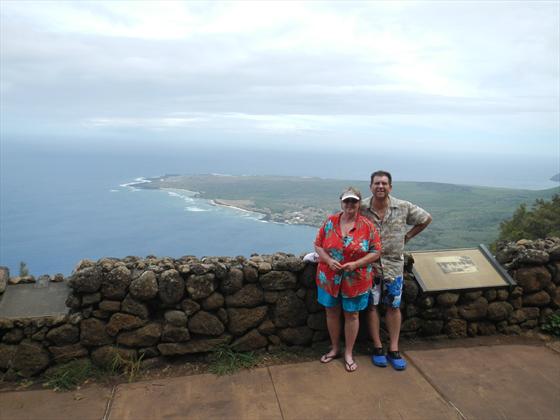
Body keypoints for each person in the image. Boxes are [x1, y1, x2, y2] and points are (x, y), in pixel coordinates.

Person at [361, 170, 431, 371]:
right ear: (371, 186)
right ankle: (377, 347)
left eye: (384, 183)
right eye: (376, 183)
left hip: (393, 265)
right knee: (372, 306)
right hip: (370, 266)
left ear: (390, 187)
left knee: (393, 306)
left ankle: (393, 348)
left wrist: (407, 237)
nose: (380, 186)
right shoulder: (363, 207)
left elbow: (426, 218)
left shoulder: (402, 206)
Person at [314, 187, 381, 372]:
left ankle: (349, 353)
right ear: (341, 203)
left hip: (356, 279)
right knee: (332, 313)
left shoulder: (367, 226)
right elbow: (318, 245)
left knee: (352, 315)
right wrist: (328, 260)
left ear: (359, 203)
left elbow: (376, 251)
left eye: (354, 201)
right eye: (346, 201)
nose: (350, 205)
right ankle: (335, 348)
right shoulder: (330, 222)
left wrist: (356, 264)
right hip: (329, 278)